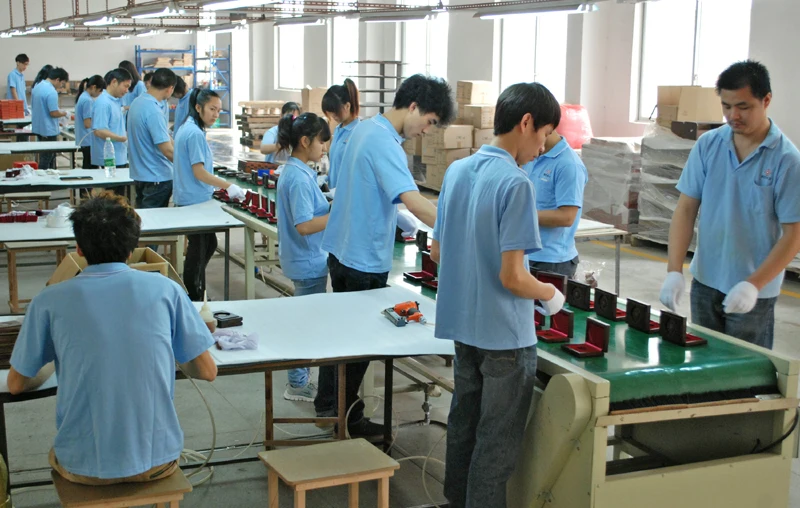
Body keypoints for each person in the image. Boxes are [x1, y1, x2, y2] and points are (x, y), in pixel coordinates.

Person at [8, 192, 217, 486]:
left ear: (79, 249)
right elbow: (206, 371)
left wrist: (58, 359)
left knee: (60, 451)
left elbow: (16, 384)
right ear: (132, 249)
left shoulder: (48, 301)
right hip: (156, 461)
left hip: (83, 467)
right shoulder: (166, 290)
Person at [433, 82, 565, 508]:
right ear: (526, 123)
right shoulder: (516, 183)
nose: (542, 148)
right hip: (505, 339)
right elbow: (513, 278)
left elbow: (437, 252)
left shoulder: (457, 171)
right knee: (496, 444)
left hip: (463, 328)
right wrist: (549, 293)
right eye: (544, 134)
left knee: (463, 425)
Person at [317, 74, 454, 437]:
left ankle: (328, 406)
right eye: (430, 122)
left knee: (342, 337)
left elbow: (380, 195)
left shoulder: (364, 129)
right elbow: (414, 201)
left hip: (343, 250)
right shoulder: (385, 143)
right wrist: (460, 229)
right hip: (362, 260)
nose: (426, 131)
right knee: (358, 347)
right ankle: (346, 420)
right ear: (414, 107)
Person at [659, 60, 800, 350]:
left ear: (766, 100)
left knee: (744, 368)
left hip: (753, 292)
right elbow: (686, 209)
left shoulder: (787, 160)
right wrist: (674, 270)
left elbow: (793, 235)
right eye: (726, 106)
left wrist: (754, 285)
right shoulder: (708, 145)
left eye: (743, 107)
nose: (733, 115)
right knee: (704, 363)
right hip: (706, 280)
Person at [275, 113, 332, 402]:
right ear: (306, 141)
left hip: (304, 257)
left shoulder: (298, 172)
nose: (325, 148)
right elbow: (304, 225)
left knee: (305, 319)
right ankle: (297, 384)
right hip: (307, 260)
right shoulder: (297, 178)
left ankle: (299, 379)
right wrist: (337, 216)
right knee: (305, 324)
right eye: (322, 142)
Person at [173, 89, 246, 301]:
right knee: (199, 248)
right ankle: (194, 295)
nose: (216, 114)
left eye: (219, 110)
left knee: (207, 244)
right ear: (198, 107)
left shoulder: (188, 128)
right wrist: (228, 186)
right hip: (193, 201)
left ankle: (196, 292)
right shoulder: (194, 134)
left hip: (191, 197)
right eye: (212, 109)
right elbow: (199, 172)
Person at [521, 129, 589, 278]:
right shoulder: (531, 156)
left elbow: (566, 217)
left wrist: (521, 214)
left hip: (551, 261)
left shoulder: (569, 165)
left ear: (547, 128)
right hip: (524, 252)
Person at [128, 68, 177, 209]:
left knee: (143, 218)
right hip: (157, 177)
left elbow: (164, 135)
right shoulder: (154, 111)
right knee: (154, 220)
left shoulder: (137, 102)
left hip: (141, 174)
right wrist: (187, 165)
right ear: (170, 89)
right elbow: (167, 150)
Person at [322, 79, 360, 190]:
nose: (332, 116)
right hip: (334, 192)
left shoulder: (358, 132)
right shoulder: (338, 130)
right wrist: (326, 178)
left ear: (347, 106)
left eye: (335, 111)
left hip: (348, 194)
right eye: (330, 112)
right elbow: (336, 165)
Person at [91, 68, 131, 168]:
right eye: (125, 86)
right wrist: (121, 138)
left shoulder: (115, 101)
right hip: (108, 160)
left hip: (118, 157)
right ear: (114, 82)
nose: (126, 91)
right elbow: (99, 131)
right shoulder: (103, 103)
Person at [30, 67, 69, 170]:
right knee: (47, 158)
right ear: (57, 80)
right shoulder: (51, 91)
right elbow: (53, 113)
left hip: (38, 128)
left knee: (43, 155)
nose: (61, 86)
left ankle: (46, 175)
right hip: (48, 130)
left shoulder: (37, 87)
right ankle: (44, 178)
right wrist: (64, 113)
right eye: (62, 83)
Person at [74, 75, 106, 169]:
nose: (100, 94)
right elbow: (87, 124)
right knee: (91, 167)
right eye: (100, 91)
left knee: (88, 164)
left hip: (85, 140)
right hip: (88, 140)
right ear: (94, 87)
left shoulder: (83, 96)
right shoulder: (88, 101)